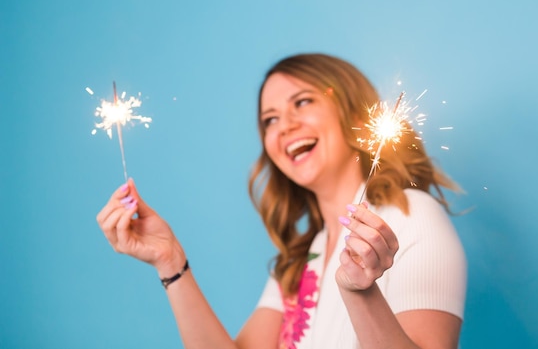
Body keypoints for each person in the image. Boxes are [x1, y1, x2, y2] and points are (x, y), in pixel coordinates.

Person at [96, 53, 467, 349]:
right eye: (269, 120)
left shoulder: (411, 215)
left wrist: (360, 292)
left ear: (355, 116)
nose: (284, 126)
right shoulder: (304, 257)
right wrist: (170, 261)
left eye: (302, 102)